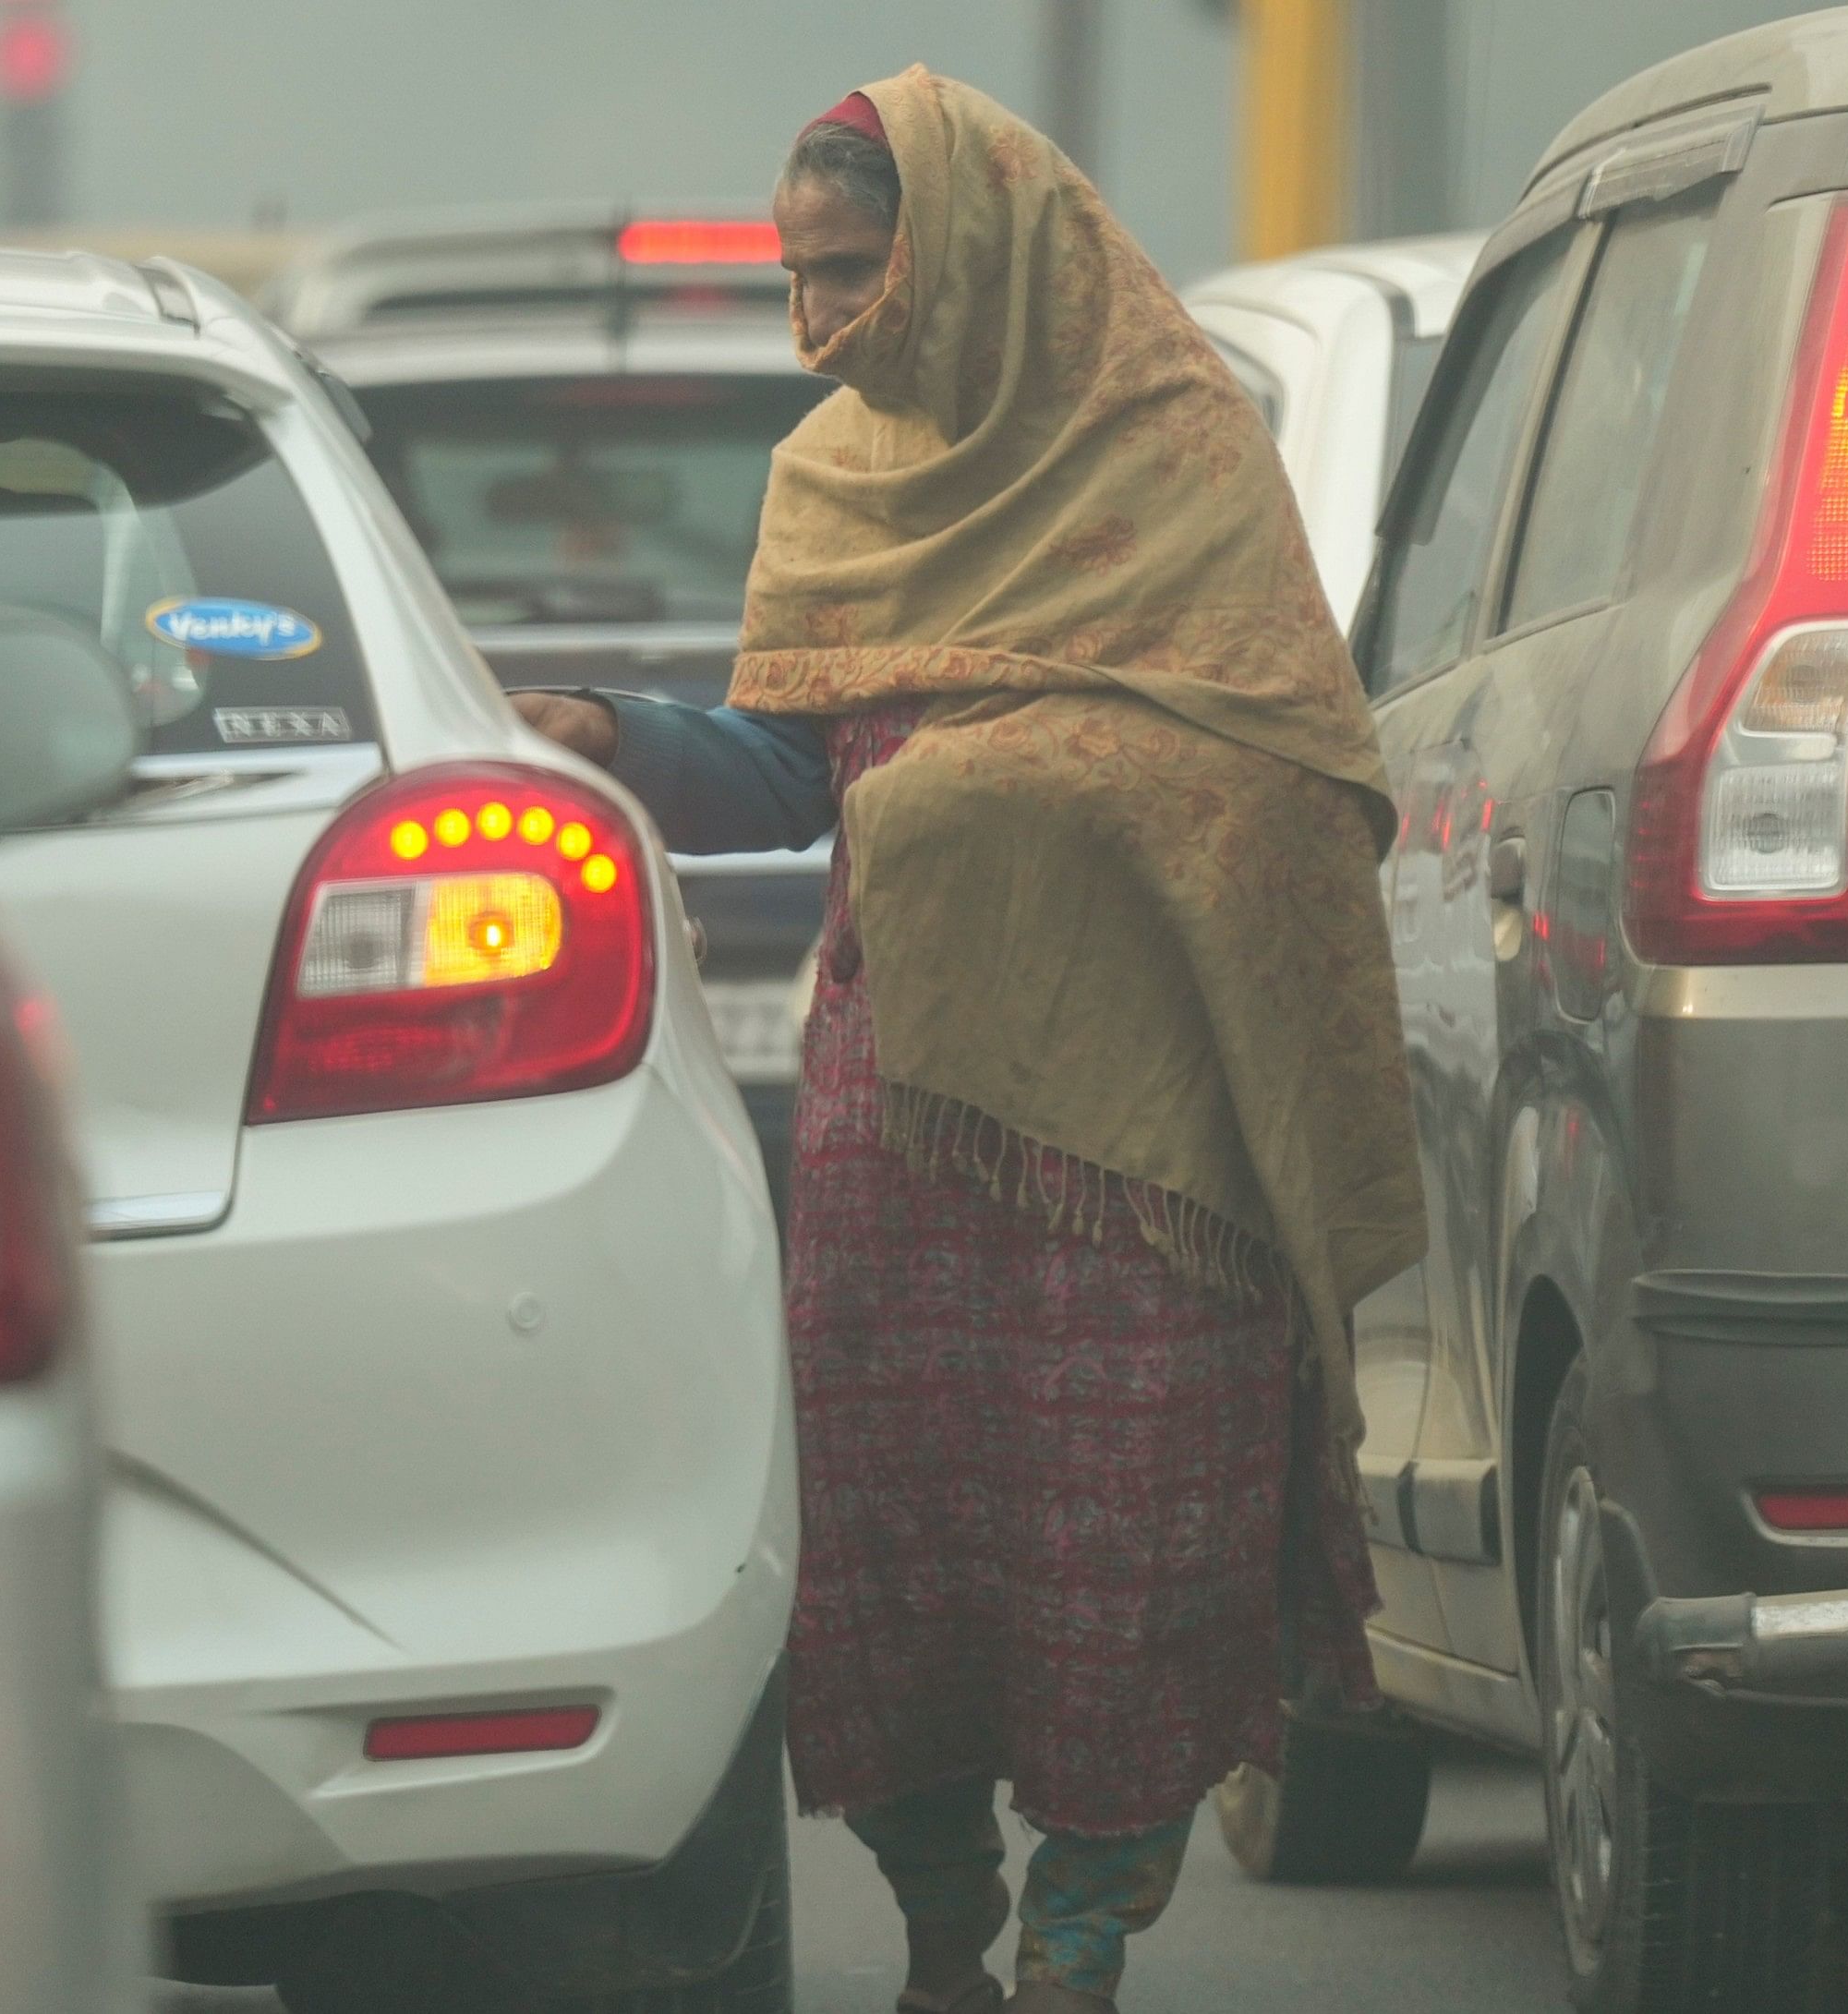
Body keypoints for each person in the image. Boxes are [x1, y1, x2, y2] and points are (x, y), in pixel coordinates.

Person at [514, 68, 1423, 2014]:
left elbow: (1290, 776)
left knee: (1132, 1555)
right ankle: (942, 1938)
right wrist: (612, 727)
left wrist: (1046, 776)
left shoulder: (1175, 457)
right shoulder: (828, 481)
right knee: (896, 1556)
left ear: (972, 258)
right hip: (899, 1130)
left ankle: (1076, 1942)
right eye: (794, 281)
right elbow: (792, 753)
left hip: (1145, 1151)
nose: (815, 326)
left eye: (849, 276)